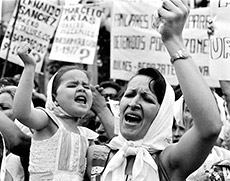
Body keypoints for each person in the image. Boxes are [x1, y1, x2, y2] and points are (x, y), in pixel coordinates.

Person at [85, 0, 222, 180]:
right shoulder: (94, 155)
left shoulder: (168, 163)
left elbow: (209, 128)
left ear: (162, 116)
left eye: (147, 99)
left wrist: (173, 41)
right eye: (130, 94)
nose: (134, 103)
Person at [13, 44, 115, 180]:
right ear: (54, 97)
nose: (81, 89)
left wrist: (102, 109)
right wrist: (30, 67)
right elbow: (22, 113)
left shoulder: (88, 137)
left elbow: (119, 141)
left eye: (86, 86)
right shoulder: (48, 121)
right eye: (72, 85)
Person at [173, 95, 230, 180]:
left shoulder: (225, 157)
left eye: (206, 109)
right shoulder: (169, 158)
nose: (197, 115)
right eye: (189, 110)